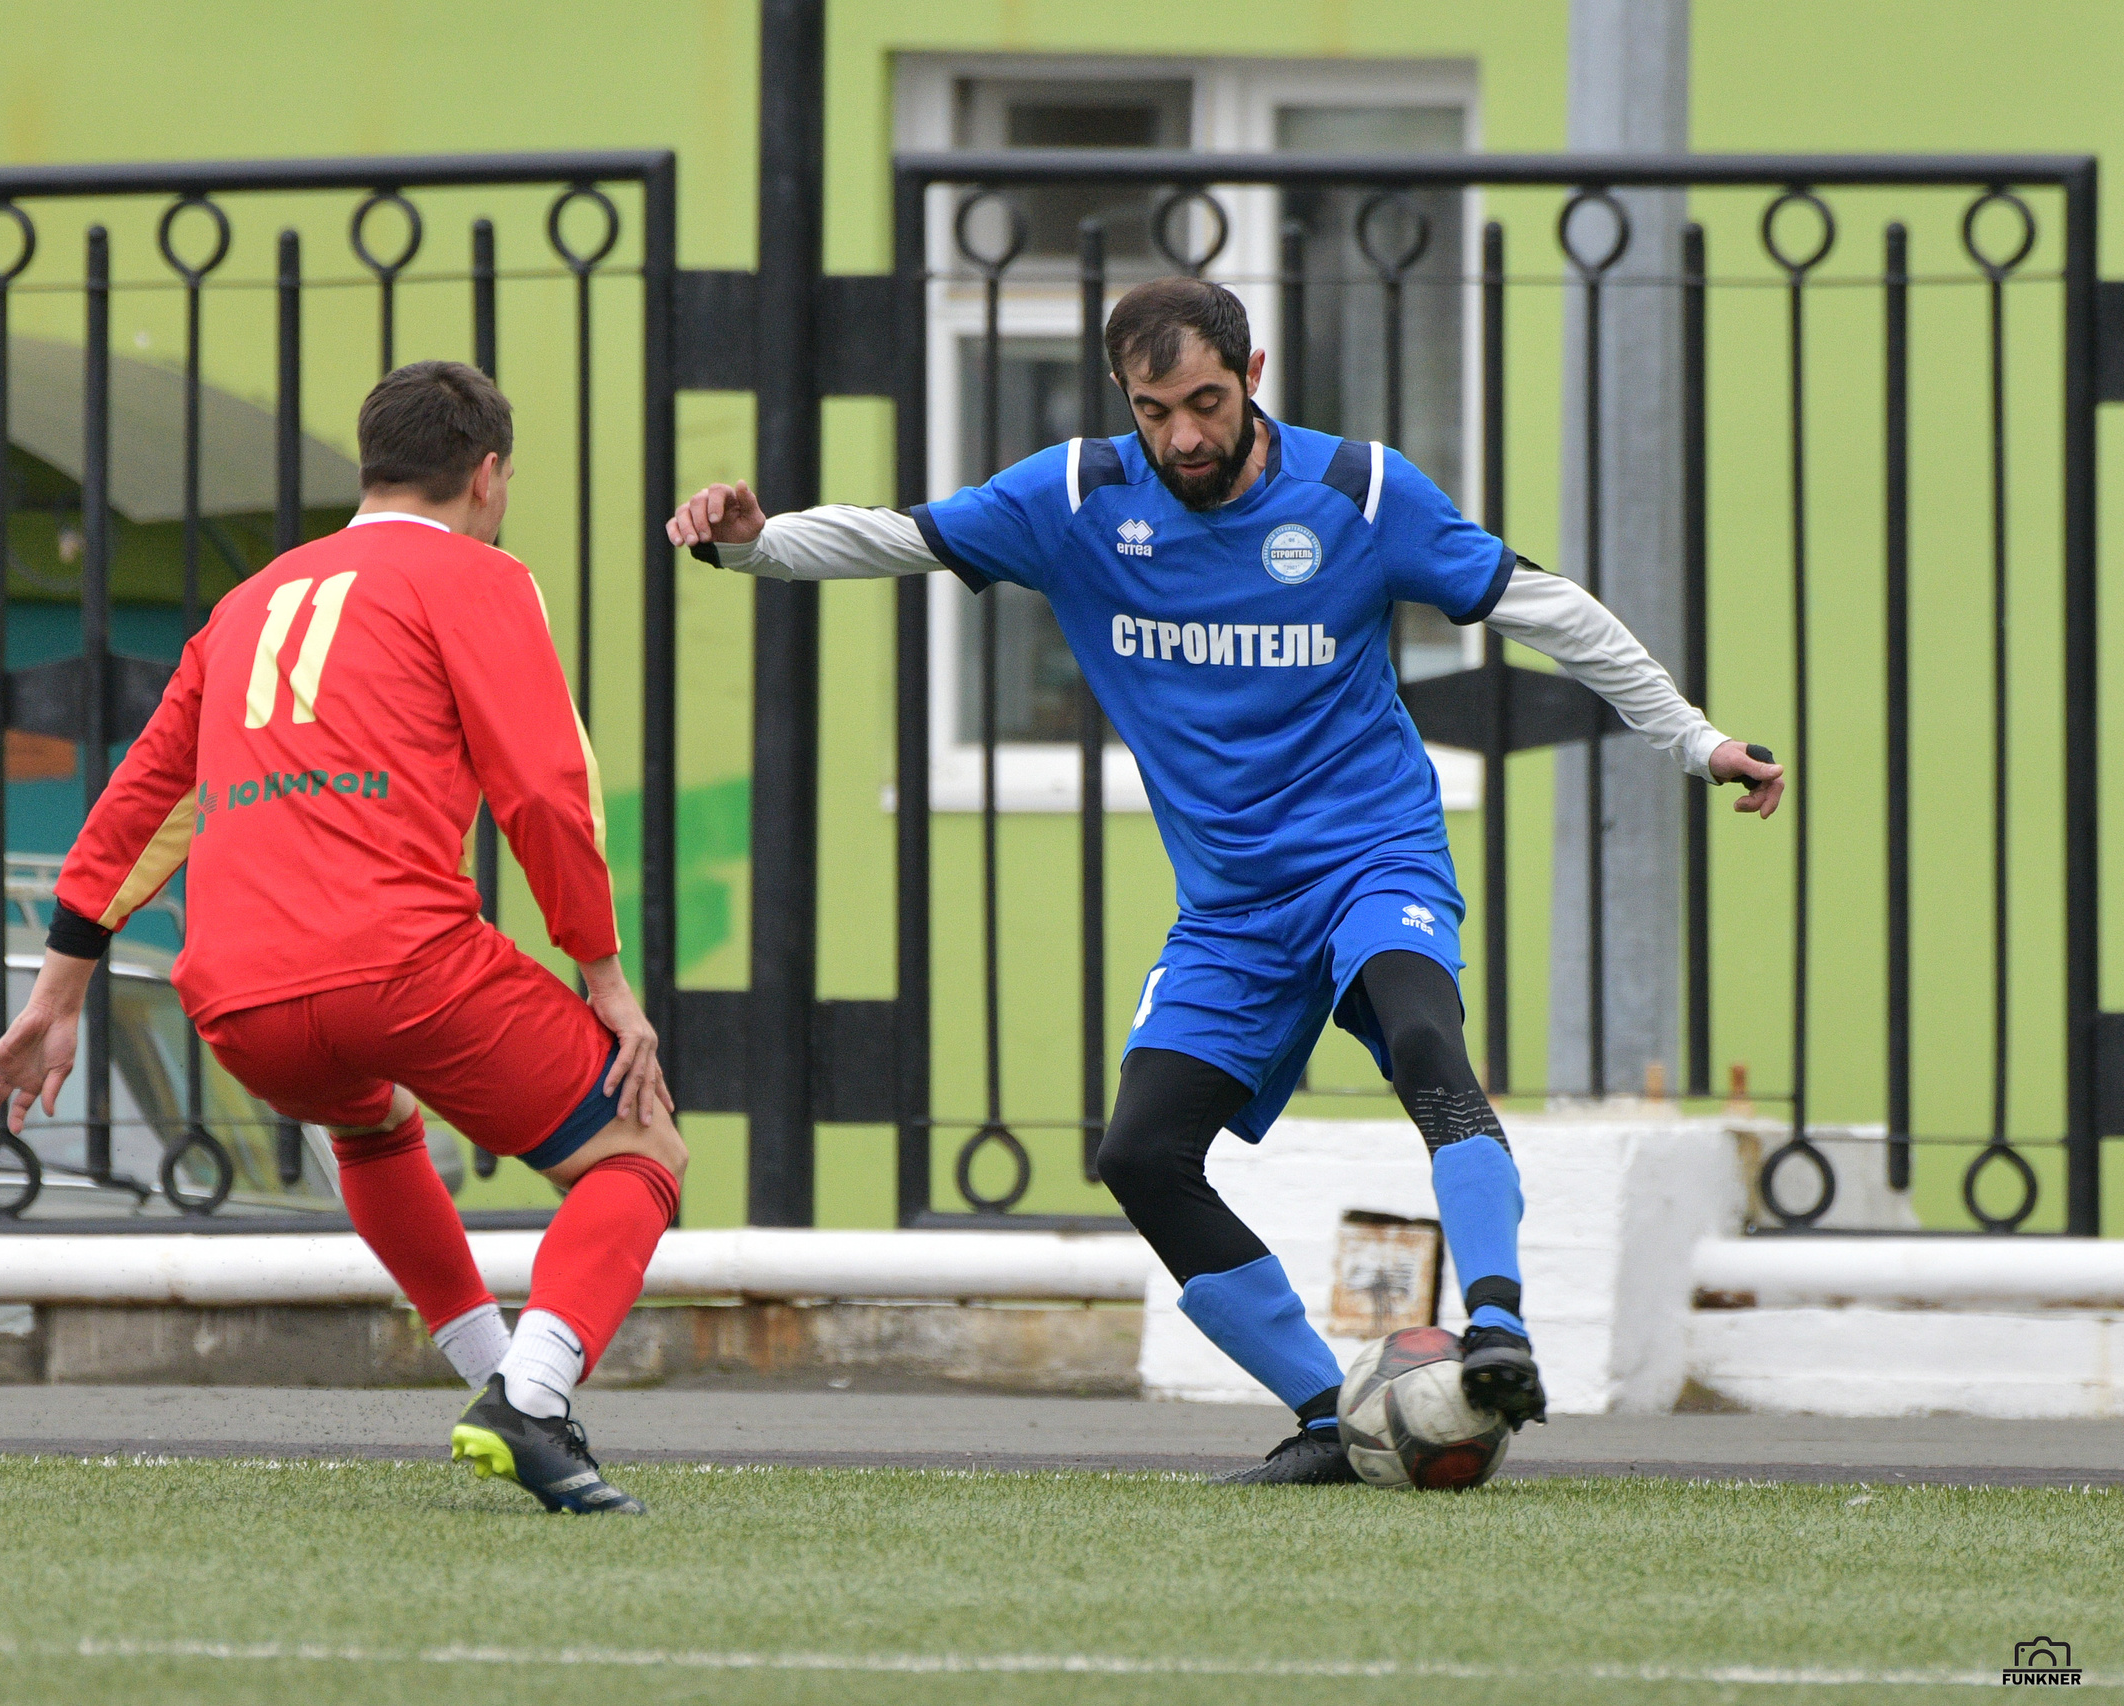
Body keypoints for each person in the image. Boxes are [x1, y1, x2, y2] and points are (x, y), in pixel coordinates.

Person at [667, 278, 1785, 1486]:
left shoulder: (1357, 491)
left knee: (1423, 1037)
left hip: (1372, 856)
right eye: (1156, 411)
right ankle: (1332, 1416)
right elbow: (904, 536)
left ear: (1253, 374)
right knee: (1141, 1154)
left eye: (1206, 400)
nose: (1185, 436)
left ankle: (1499, 1328)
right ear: (1124, 401)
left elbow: (1546, 608)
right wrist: (751, 543)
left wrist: (1693, 738)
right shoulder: (1077, 498)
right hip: (1233, 911)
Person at [0, 360, 680, 1515]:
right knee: (640, 1151)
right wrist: (603, 975)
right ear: (486, 475)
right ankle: (532, 1395)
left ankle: (505, 1385)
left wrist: (59, 991)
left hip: (234, 997)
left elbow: (143, 800)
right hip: (401, 964)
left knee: (370, 1117)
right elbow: (545, 789)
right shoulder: (478, 577)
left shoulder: (247, 603)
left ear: (369, 465)